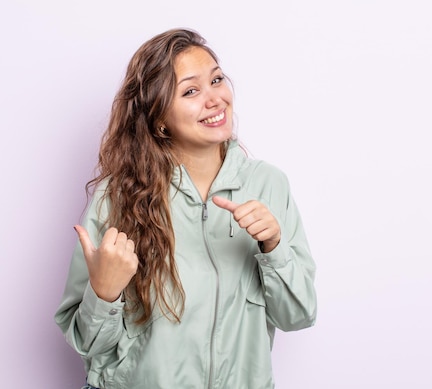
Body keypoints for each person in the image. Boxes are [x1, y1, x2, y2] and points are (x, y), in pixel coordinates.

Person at [54, 27, 317, 389]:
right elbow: (89, 344)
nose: (215, 99)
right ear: (159, 118)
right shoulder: (119, 195)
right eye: (191, 91)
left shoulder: (268, 184)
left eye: (217, 80)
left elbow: (299, 316)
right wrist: (104, 292)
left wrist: (273, 248)